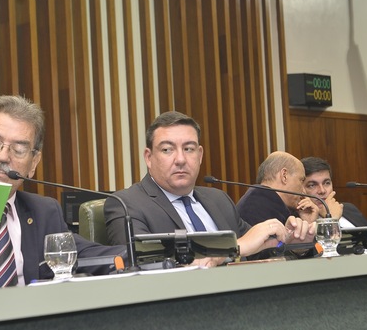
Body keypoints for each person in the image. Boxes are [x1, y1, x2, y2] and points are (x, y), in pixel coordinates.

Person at [0, 95, 124, 284]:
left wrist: (136, 253)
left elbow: (87, 254)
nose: (3, 156)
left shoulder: (44, 211)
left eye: (18, 150)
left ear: (33, 163)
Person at [103, 111, 314, 263]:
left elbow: (259, 251)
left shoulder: (218, 200)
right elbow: (143, 263)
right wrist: (234, 248)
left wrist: (291, 243)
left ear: (200, 155)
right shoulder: (127, 205)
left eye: (189, 149)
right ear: (149, 157)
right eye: (167, 150)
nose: (180, 159)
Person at [236, 151, 319, 226]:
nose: (304, 191)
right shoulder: (258, 205)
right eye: (301, 180)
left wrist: (308, 223)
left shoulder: (265, 201)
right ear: (284, 176)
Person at [301, 157, 367, 228]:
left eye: (327, 183)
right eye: (312, 185)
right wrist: (331, 220)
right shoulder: (299, 221)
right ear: (300, 190)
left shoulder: (348, 208)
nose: (322, 191)